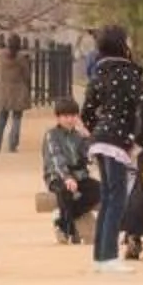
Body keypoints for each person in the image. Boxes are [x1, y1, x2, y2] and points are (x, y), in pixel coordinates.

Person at [82, 24, 143, 275]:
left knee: (108, 197)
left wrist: (97, 130)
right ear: (121, 44)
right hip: (117, 140)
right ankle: (109, 256)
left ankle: (100, 257)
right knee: (117, 199)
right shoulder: (128, 73)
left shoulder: (98, 73)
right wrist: (138, 141)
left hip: (100, 140)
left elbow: (87, 112)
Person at [41, 97, 97, 244]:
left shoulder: (78, 136)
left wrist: (88, 138)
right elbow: (56, 158)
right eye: (65, 116)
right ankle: (68, 230)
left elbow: (89, 157)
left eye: (73, 116)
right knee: (65, 192)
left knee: (99, 190)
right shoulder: (52, 135)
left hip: (79, 176)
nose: (70, 120)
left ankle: (63, 221)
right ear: (58, 117)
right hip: (56, 176)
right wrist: (66, 177)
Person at [0, 41, 30, 156]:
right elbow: (26, 75)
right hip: (18, 91)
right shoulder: (22, 58)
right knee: (17, 118)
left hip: (3, 90)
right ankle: (13, 145)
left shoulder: (0, 56)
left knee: (1, 119)